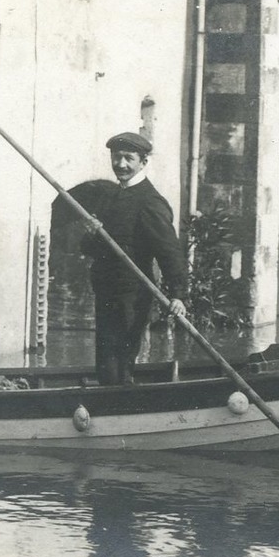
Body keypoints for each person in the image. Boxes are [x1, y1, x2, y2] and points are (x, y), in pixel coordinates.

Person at [71, 132, 188, 385]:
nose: (120, 164)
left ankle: (119, 406)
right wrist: (92, 234)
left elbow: (169, 251)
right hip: (106, 290)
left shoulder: (150, 202)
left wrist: (177, 293)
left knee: (121, 357)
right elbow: (92, 249)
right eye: (116, 157)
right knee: (106, 356)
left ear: (143, 162)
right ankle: (109, 401)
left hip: (132, 295)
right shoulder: (111, 197)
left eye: (128, 158)